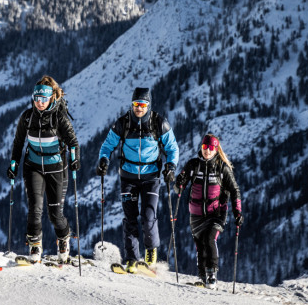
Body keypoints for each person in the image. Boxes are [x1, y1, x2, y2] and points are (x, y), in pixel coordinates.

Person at [96, 87, 179, 272]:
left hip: (151, 177)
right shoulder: (123, 123)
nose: (139, 108)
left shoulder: (159, 123)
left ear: (148, 105)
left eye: (143, 104)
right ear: (132, 104)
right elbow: (107, 145)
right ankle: (132, 259)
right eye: (136, 104)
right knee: (130, 218)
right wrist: (103, 160)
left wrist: (171, 167)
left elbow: (172, 148)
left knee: (148, 217)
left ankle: (150, 251)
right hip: (128, 177)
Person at [7, 76, 80, 263]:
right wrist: (13, 164)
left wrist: (75, 160)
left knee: (56, 215)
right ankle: (34, 247)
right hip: (33, 167)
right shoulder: (27, 117)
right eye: (36, 98)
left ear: (51, 98)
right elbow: (18, 143)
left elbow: (73, 143)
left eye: (44, 99)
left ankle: (63, 239)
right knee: (35, 209)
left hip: (56, 169)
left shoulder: (59, 118)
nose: (39, 103)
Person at [173, 132, 243, 289]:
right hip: (196, 213)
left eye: (211, 147)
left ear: (216, 149)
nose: (207, 150)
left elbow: (235, 191)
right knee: (199, 245)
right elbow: (178, 188)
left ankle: (212, 275)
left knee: (210, 239)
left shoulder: (222, 168)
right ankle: (202, 276)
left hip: (216, 212)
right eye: (205, 146)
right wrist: (180, 182)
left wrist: (237, 212)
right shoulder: (193, 165)